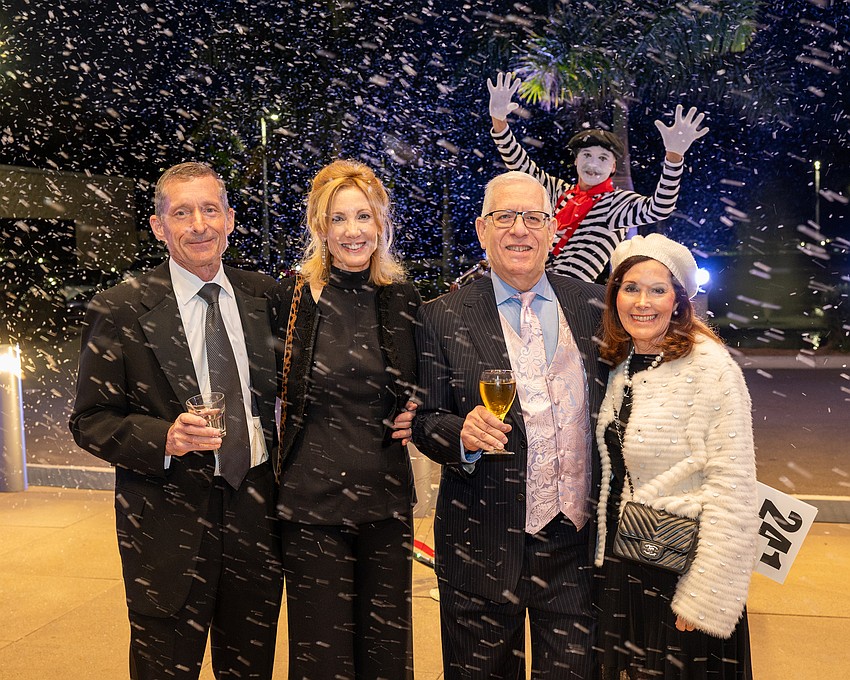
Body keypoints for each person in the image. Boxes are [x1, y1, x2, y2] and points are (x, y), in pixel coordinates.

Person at [70, 162, 283, 679]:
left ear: (231, 219)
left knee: (250, 668)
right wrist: (163, 437)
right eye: (181, 213)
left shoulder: (269, 298)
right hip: (164, 523)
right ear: (158, 226)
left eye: (210, 209)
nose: (199, 225)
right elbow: (90, 419)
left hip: (256, 517)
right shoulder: (120, 310)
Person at [412, 170, 608, 679]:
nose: (519, 229)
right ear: (482, 229)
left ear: (550, 231)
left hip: (575, 548)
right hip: (480, 543)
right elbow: (425, 420)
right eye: (505, 217)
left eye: (533, 218)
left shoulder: (593, 307)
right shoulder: (441, 315)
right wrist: (460, 435)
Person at [274, 159, 420, 679]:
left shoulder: (403, 300)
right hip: (311, 504)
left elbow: (427, 382)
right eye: (338, 219)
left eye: (364, 217)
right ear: (320, 227)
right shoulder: (291, 301)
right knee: (322, 657)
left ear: (382, 224)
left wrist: (421, 410)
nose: (353, 231)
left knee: (387, 654)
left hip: (385, 502)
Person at [593, 233, 758, 679]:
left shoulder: (710, 369)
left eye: (657, 289)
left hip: (682, 572)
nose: (641, 302)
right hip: (624, 567)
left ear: (680, 302)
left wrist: (705, 592)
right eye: (630, 288)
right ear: (615, 296)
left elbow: (733, 488)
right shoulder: (619, 362)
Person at [487, 71, 709, 282]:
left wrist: (674, 156)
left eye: (603, 158)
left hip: (567, 291)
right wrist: (499, 122)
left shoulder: (617, 203)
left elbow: (660, 207)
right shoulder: (558, 191)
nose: (593, 164)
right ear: (576, 161)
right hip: (530, 281)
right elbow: (522, 166)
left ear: (613, 167)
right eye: (586, 155)